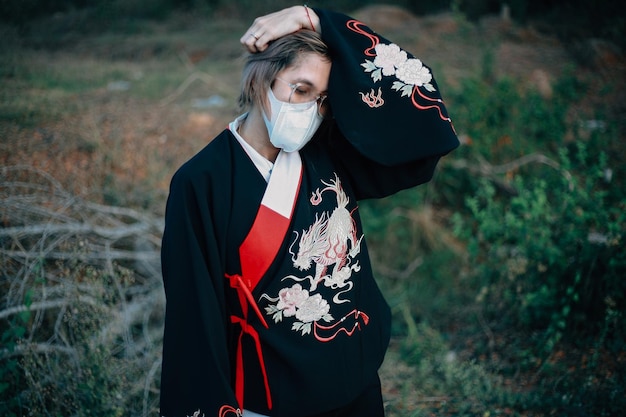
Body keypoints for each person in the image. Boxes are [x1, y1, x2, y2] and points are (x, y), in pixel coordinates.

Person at [159, 5, 459, 417]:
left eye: (321, 100)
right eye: (299, 90)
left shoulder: (331, 150)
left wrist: (315, 19)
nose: (308, 111)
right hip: (270, 395)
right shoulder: (201, 181)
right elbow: (194, 318)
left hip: (354, 380)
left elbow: (421, 106)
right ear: (261, 76)